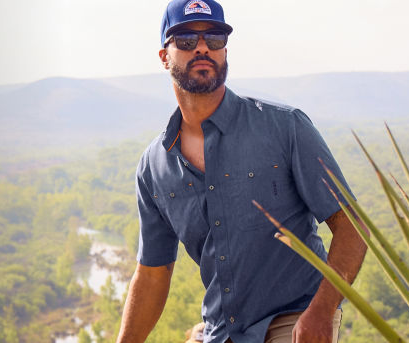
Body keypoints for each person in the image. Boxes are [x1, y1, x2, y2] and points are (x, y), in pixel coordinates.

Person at [116, 1, 367, 342]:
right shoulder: (153, 167)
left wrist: (321, 313)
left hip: (294, 321)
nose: (203, 47)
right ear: (164, 56)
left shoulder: (285, 127)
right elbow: (153, 274)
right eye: (187, 40)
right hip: (222, 331)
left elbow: (352, 228)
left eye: (215, 38)